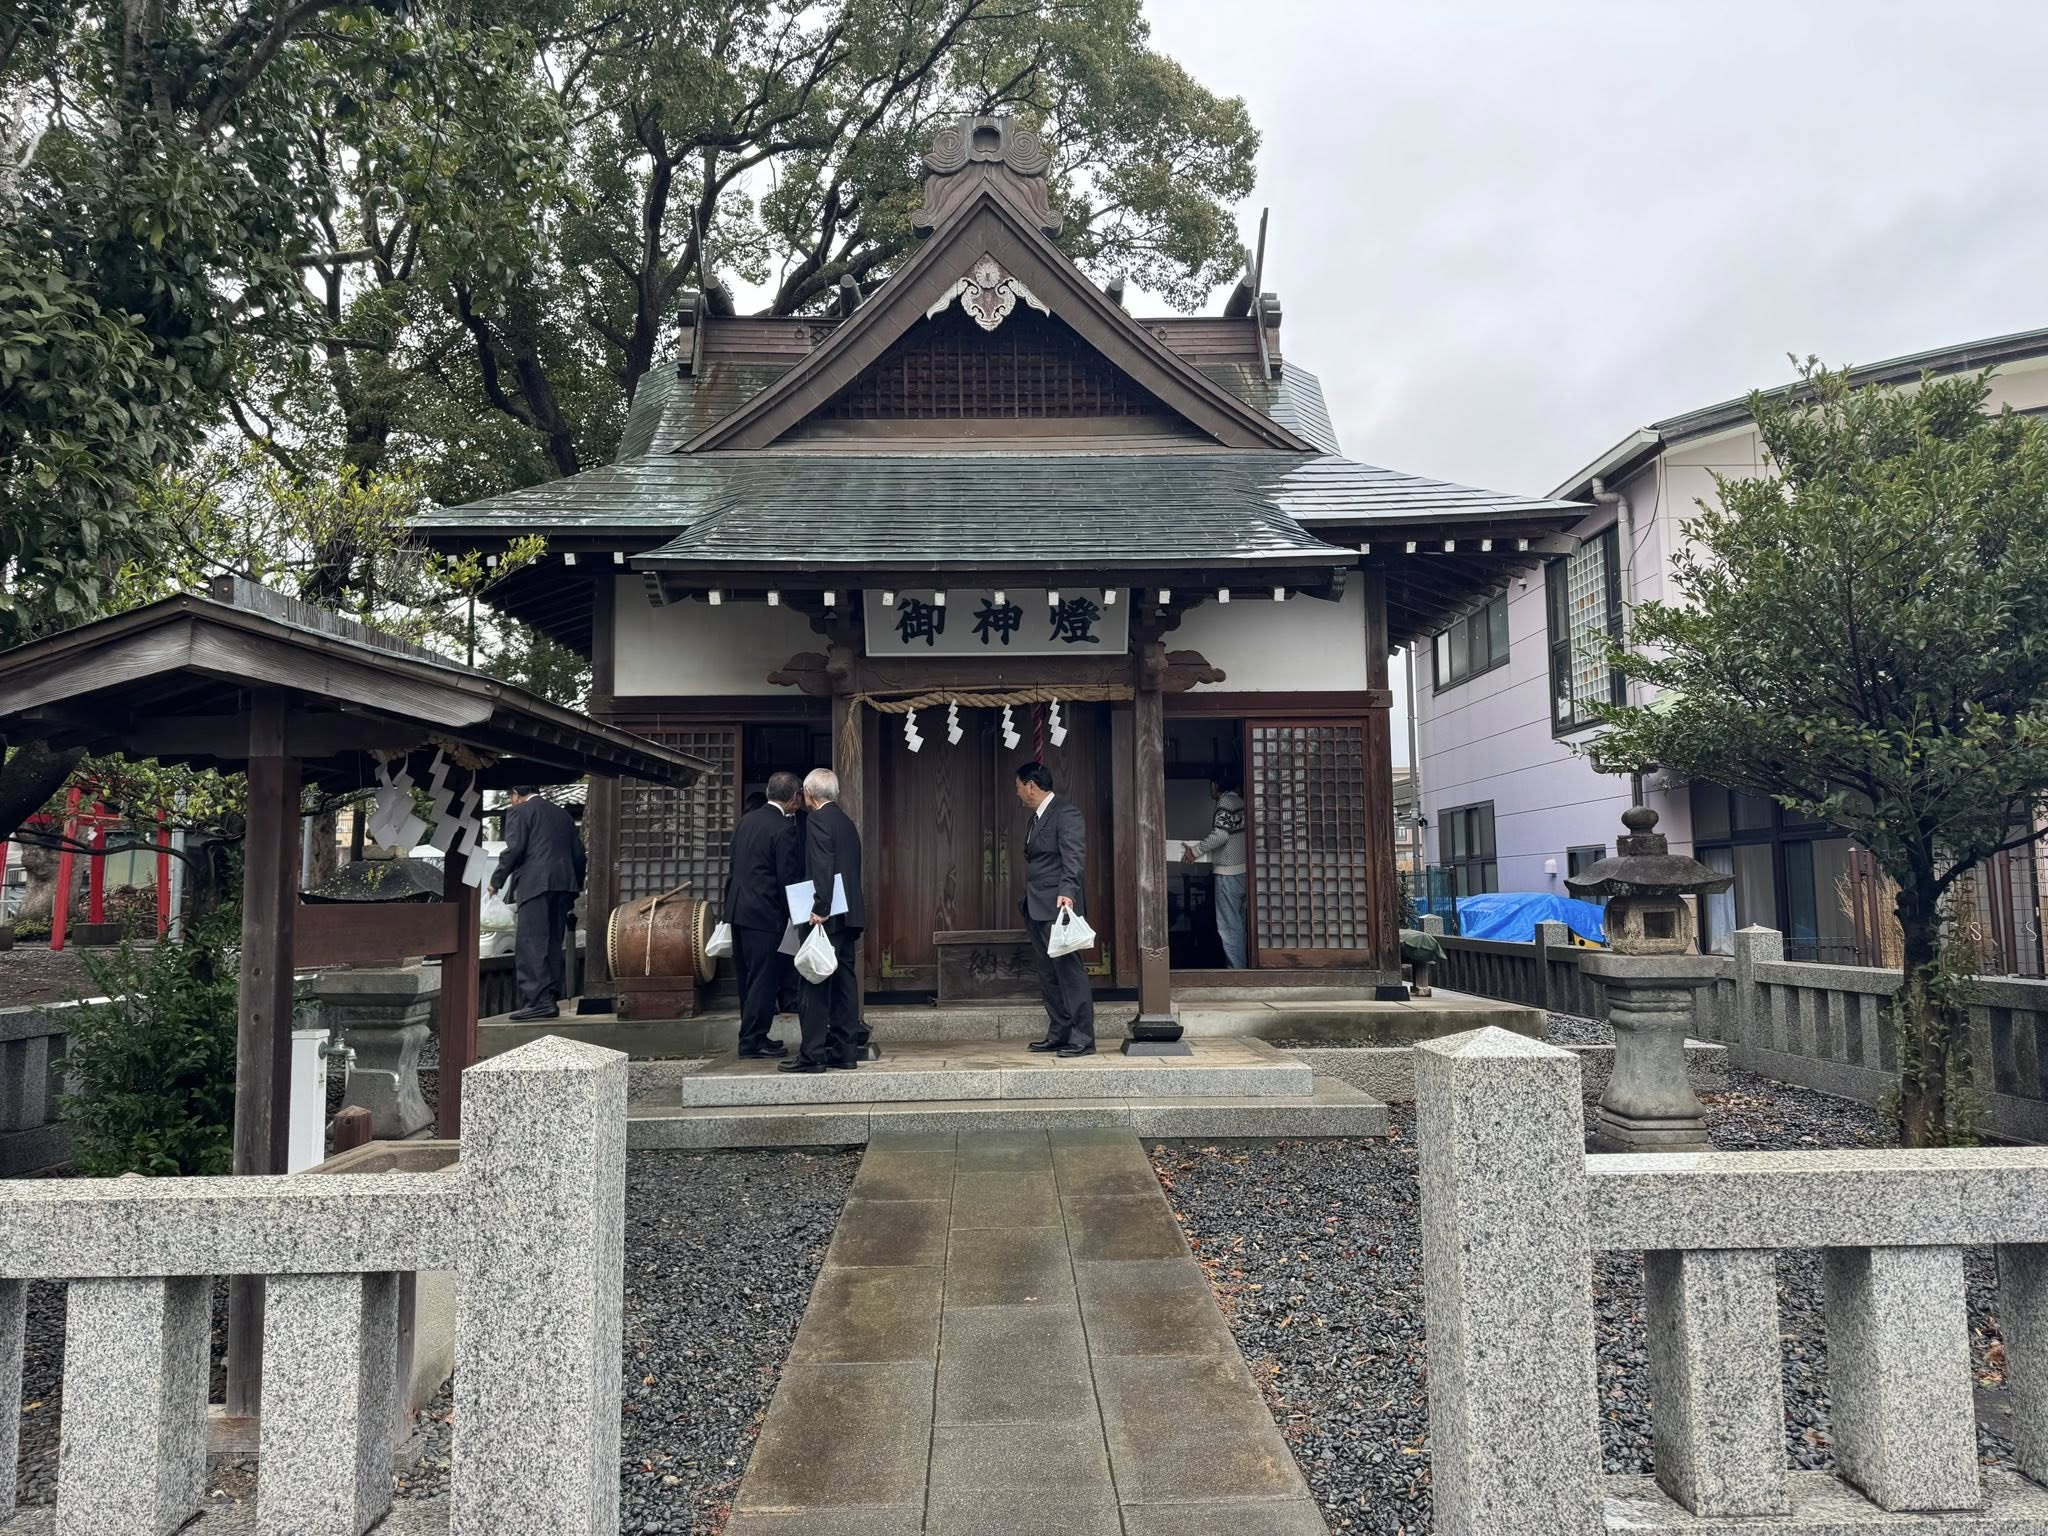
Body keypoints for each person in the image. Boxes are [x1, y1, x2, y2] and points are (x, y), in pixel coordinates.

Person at [783, 767, 866, 1074]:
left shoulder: (817, 820)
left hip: (827, 914)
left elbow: (822, 865)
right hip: (849, 914)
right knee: (844, 982)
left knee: (814, 982)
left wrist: (820, 906)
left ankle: (812, 1054)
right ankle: (845, 1053)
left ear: (809, 794)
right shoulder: (845, 822)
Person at [1014, 761, 1094, 1057]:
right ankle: (1059, 1032)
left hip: (1058, 905)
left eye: (1019, 787)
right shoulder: (1036, 817)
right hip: (1036, 906)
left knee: (1069, 972)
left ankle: (1083, 1037)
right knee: (1048, 974)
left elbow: (1073, 856)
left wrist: (1067, 892)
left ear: (1031, 786)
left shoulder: (1065, 813)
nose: (1018, 793)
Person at [722, 771, 804, 1059]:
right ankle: (753, 1040)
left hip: (738, 909)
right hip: (764, 913)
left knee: (747, 977)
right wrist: (800, 914)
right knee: (763, 978)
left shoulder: (747, 821)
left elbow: (733, 869)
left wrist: (725, 909)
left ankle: (752, 1034)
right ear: (794, 798)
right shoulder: (784, 829)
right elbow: (788, 878)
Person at [488, 785, 586, 1021]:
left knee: (531, 942)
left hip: (535, 883)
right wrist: (576, 884)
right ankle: (549, 998)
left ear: (515, 794)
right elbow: (579, 853)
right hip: (563, 884)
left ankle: (538, 1000)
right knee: (553, 940)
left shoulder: (521, 811)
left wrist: (496, 880)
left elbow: (515, 849)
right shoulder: (562, 814)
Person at [1183, 773, 1248, 968]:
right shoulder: (1241, 802)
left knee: (1229, 926)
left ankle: (1237, 970)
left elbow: (1221, 835)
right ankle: (1242, 967)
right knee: (1240, 924)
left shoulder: (1225, 801)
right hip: (1244, 871)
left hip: (1228, 870)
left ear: (1214, 785)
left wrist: (1195, 851)